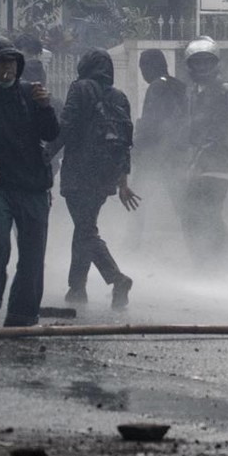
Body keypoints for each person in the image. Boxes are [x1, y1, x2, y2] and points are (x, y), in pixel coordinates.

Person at [0, 37, 60, 327]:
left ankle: (22, 314)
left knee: (32, 254)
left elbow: (52, 133)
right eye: (2, 62)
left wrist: (45, 106)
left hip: (34, 186)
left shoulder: (32, 95)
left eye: (13, 62)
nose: (8, 69)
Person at [58, 49, 139, 308]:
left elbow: (66, 127)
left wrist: (46, 154)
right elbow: (126, 141)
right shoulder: (119, 97)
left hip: (79, 171)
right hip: (106, 174)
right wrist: (123, 180)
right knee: (84, 227)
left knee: (85, 230)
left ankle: (117, 278)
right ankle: (77, 289)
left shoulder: (80, 88)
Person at [182, 36, 228, 272]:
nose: (202, 67)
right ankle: (206, 262)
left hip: (219, 164)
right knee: (193, 215)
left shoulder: (226, 93)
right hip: (197, 164)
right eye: (197, 63)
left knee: (209, 214)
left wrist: (219, 144)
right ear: (190, 66)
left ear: (215, 64)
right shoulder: (193, 93)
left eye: (206, 62)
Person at [129, 49, 189, 246]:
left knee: (137, 196)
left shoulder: (156, 87)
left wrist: (137, 144)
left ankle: (133, 240)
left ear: (151, 66)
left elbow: (151, 122)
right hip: (176, 154)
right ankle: (194, 239)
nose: (142, 72)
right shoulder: (180, 86)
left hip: (155, 154)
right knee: (181, 201)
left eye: (143, 67)